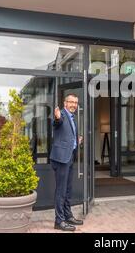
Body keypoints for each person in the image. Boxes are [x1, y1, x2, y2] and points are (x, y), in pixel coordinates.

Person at [50, 93, 83, 231]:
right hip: (61, 159)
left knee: (68, 190)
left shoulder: (73, 118)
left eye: (75, 103)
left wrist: (77, 141)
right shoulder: (62, 115)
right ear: (65, 103)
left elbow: (68, 136)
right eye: (71, 102)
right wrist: (57, 118)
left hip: (69, 157)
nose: (73, 105)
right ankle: (59, 221)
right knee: (61, 191)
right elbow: (57, 123)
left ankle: (68, 215)